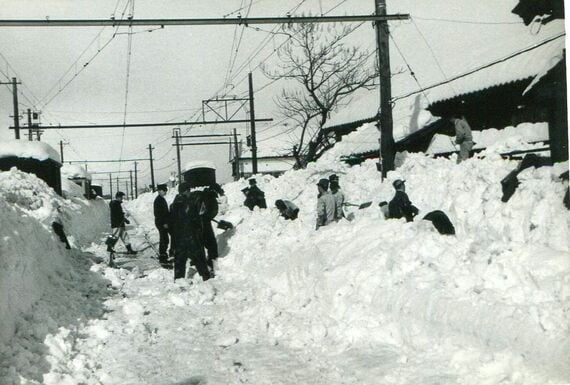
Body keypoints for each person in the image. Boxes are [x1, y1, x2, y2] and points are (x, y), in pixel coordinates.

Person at [170, 182, 211, 281]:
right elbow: (196, 219)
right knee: (199, 257)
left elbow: (171, 223)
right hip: (191, 235)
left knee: (180, 260)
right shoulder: (190, 203)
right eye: (189, 191)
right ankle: (206, 277)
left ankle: (178, 280)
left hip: (179, 237)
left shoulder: (173, 205)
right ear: (186, 191)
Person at [153, 184, 171, 266]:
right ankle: (162, 258)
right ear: (159, 191)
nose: (166, 192)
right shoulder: (159, 200)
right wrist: (164, 223)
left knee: (164, 239)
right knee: (164, 239)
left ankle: (163, 256)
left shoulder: (161, 199)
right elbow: (158, 214)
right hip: (161, 222)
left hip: (161, 222)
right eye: (164, 191)